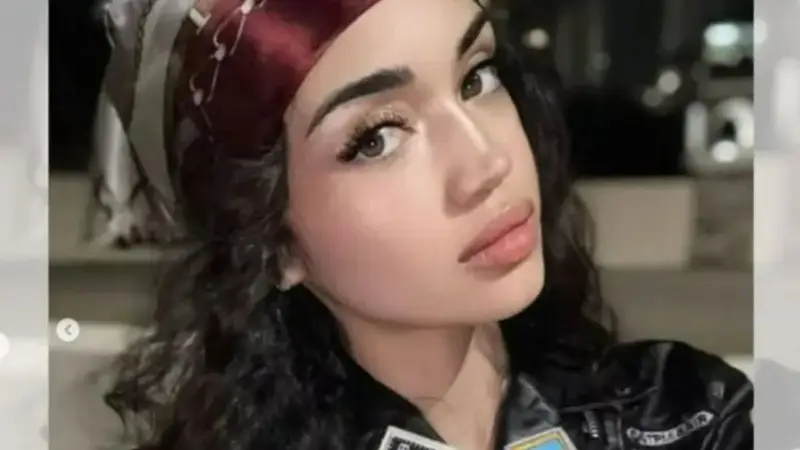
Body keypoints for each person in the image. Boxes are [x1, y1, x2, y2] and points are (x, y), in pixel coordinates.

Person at [98, 0, 753, 449]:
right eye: (377, 137)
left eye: (477, 78)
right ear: (270, 242)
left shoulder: (684, 418)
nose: (487, 162)